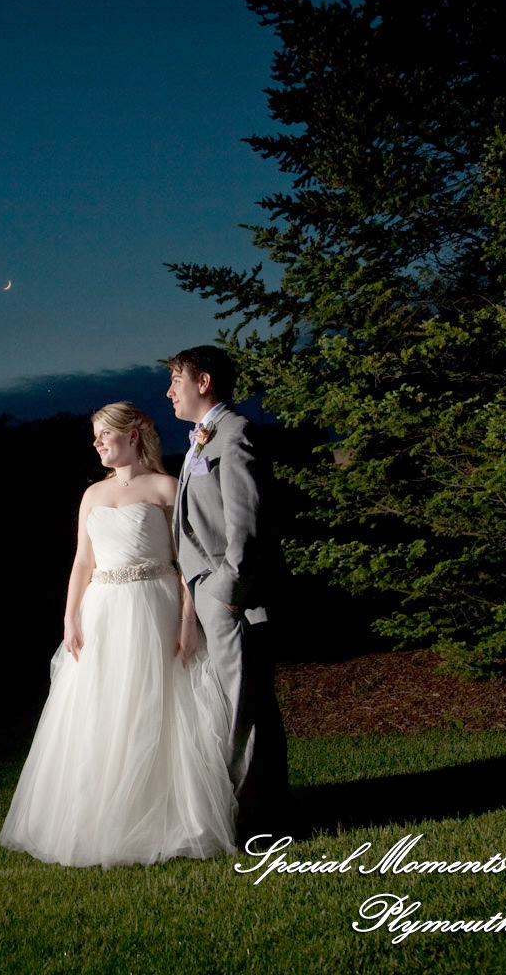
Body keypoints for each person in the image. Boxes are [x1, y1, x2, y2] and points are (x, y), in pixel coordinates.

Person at [0, 402, 236, 867]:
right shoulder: (92, 494)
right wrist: (70, 617)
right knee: (100, 708)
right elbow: (82, 561)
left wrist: (188, 622)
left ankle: (169, 817)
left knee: (155, 704)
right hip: (103, 610)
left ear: (133, 434)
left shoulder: (166, 487)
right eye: (95, 435)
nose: (97, 442)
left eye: (104, 433)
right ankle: (96, 818)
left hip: (155, 607)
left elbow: (187, 563)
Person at [167, 345, 289, 843]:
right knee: (244, 705)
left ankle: (250, 822)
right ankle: (266, 811)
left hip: (229, 596)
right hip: (213, 594)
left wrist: (228, 591)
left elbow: (246, 523)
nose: (169, 392)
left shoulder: (234, 434)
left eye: (176, 380)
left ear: (204, 382)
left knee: (243, 711)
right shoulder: (205, 438)